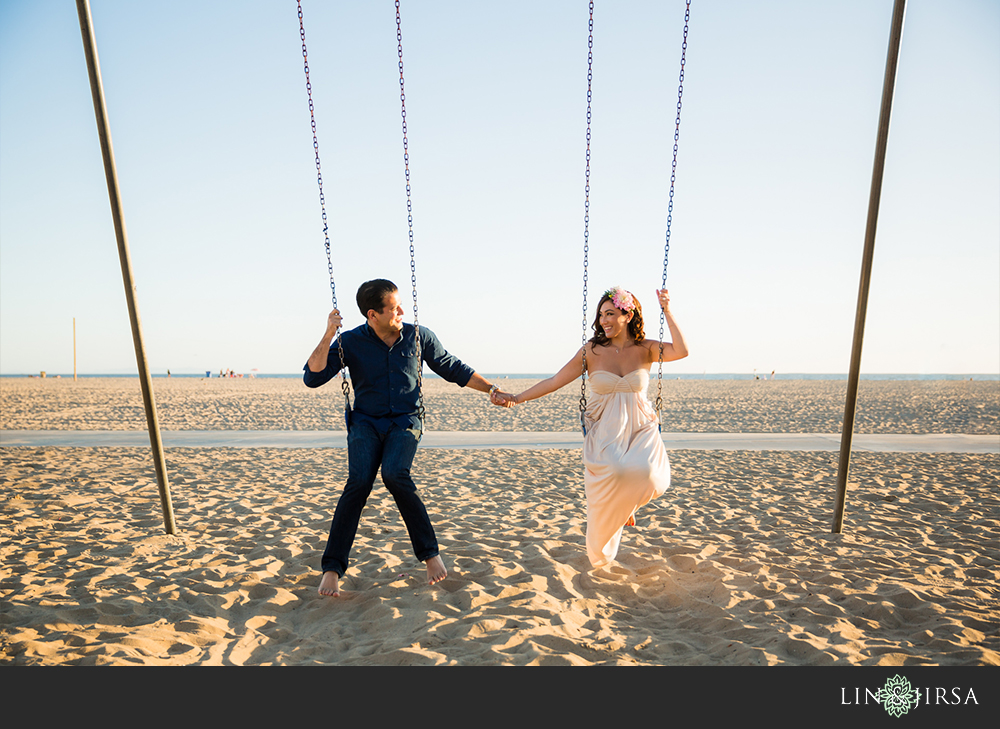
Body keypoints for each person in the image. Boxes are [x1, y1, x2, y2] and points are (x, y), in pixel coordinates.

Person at [305, 278, 503, 597]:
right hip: (365, 423)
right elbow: (313, 377)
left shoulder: (418, 336)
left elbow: (452, 367)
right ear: (373, 314)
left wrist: (491, 389)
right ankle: (331, 569)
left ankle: (430, 555)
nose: (401, 310)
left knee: (395, 474)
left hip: (406, 421)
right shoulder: (351, 341)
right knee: (358, 484)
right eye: (393, 307)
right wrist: (329, 333)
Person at [491, 287, 688, 568]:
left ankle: (625, 506)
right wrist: (517, 398)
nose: (603, 320)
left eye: (610, 313)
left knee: (653, 479)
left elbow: (682, 351)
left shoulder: (645, 349)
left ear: (628, 315)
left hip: (642, 426)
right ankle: (614, 523)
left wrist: (667, 310)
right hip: (605, 429)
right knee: (617, 472)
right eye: (600, 315)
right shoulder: (591, 351)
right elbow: (555, 380)